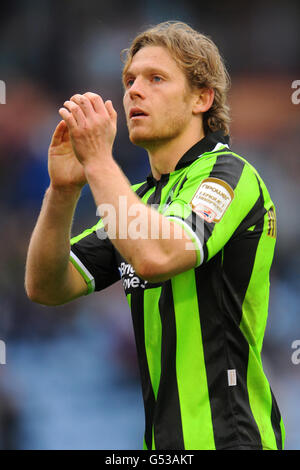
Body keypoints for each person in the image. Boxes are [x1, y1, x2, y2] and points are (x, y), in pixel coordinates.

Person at [25, 21, 285, 450]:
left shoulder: (229, 175)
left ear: (203, 98)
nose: (133, 91)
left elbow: (155, 257)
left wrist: (97, 162)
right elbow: (46, 285)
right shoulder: (138, 200)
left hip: (232, 441)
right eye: (129, 80)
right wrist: (63, 190)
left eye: (156, 79)